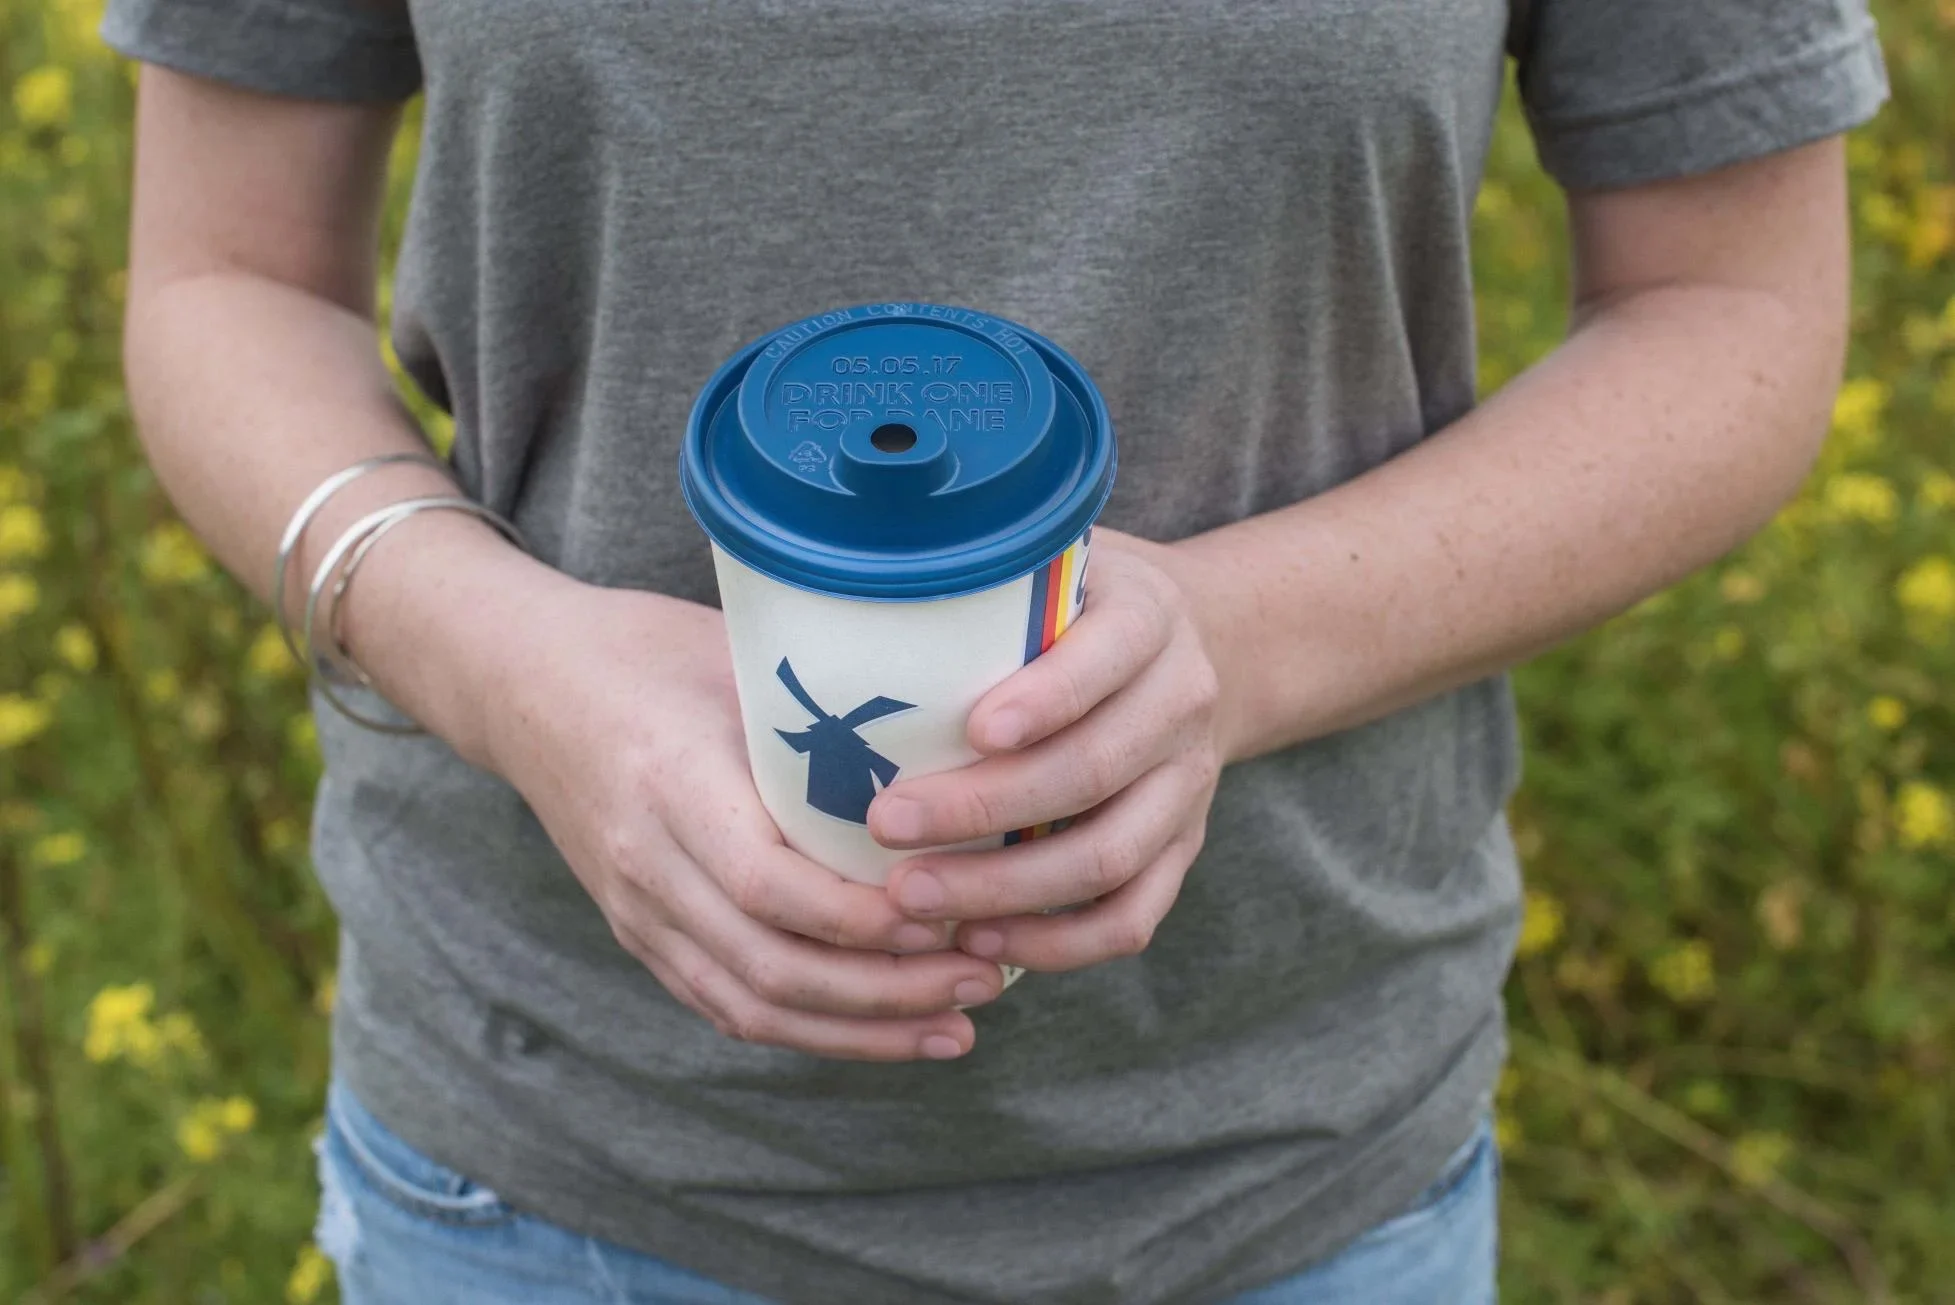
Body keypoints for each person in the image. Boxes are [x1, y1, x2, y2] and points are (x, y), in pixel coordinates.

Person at [101, 1, 1886, 1301]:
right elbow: (225, 277)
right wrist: (501, 662)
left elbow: (1723, 301)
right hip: (540, 1183)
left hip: (1290, 1186)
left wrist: (1237, 644)